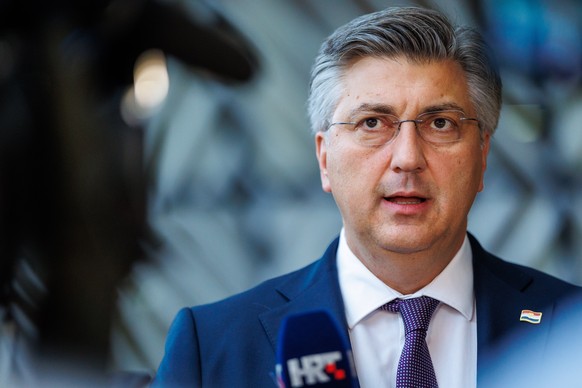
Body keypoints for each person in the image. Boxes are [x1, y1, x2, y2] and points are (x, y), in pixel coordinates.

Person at [152, 6, 582, 387]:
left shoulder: (570, 327)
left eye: (440, 124)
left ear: (483, 155)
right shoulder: (211, 347)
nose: (408, 159)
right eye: (373, 123)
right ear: (324, 159)